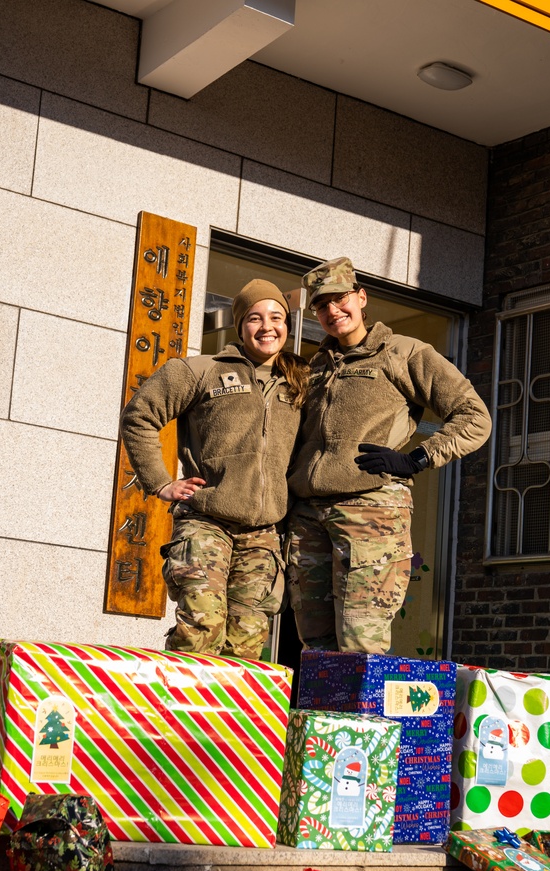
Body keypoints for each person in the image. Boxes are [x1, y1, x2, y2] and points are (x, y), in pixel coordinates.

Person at [286, 257, 491, 654]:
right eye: (321, 305)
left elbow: (474, 417)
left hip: (371, 514)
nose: (332, 311)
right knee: (316, 646)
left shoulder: (403, 352)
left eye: (340, 298)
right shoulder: (316, 367)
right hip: (310, 517)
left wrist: (416, 459)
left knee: (361, 642)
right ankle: (324, 719)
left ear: (361, 297)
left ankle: (364, 719)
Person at [120, 279, 307, 659]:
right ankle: (173, 718)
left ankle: (226, 720)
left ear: (287, 326)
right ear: (239, 326)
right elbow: (139, 416)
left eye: (276, 317)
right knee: (201, 628)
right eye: (255, 318)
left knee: (248, 643)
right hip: (207, 522)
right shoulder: (201, 371)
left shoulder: (298, 383)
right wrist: (160, 483)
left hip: (264, 535)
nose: (267, 326)